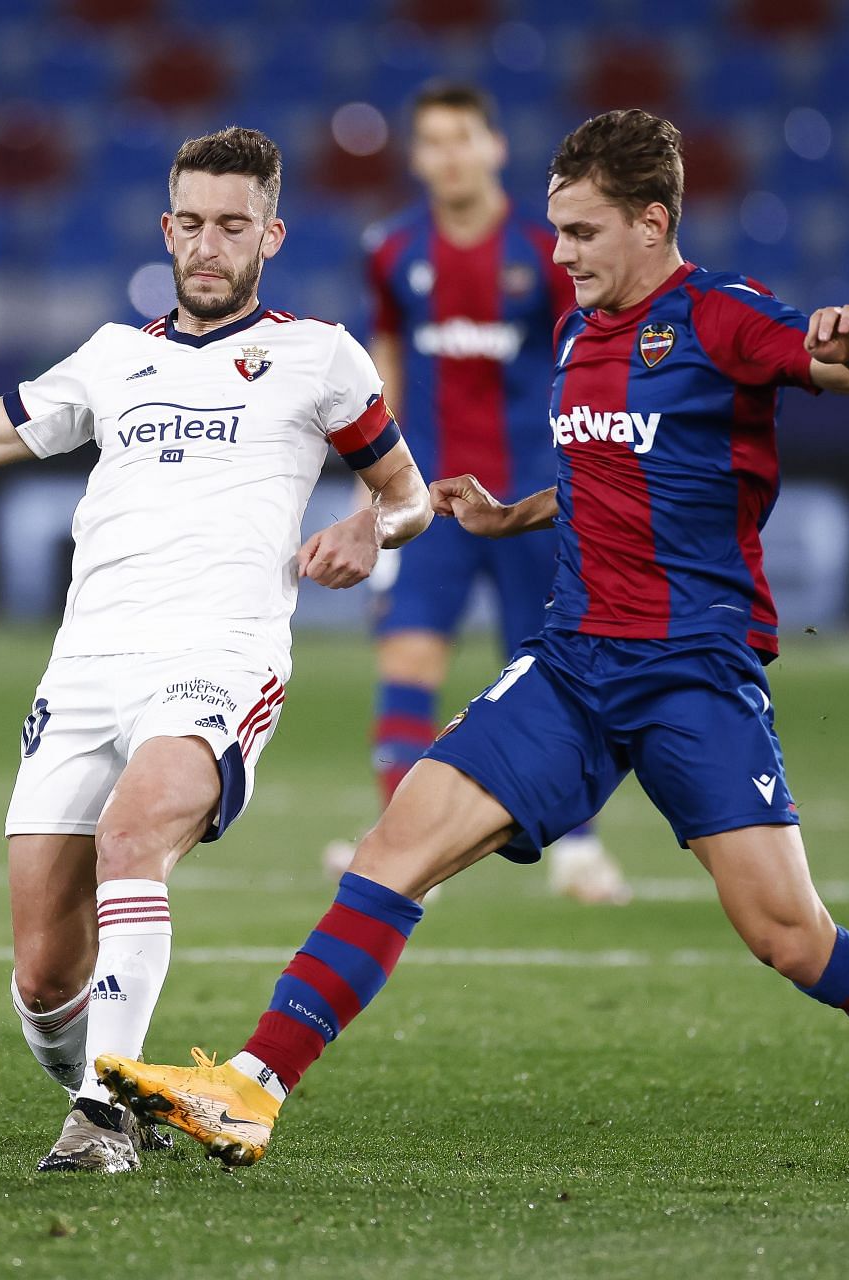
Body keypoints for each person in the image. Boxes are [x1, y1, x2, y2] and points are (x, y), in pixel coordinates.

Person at [97, 110, 849, 1187]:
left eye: (580, 231)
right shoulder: (582, 331)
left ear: (652, 221)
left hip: (691, 673)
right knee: (397, 846)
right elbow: (600, 472)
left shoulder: (722, 319)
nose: (559, 254)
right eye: (556, 230)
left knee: (790, 934)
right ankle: (253, 1087)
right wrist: (510, 517)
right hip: (572, 663)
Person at [0, 126, 431, 1175]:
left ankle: (99, 1115)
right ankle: (109, 1077)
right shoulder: (112, 357)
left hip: (220, 655)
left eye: (233, 224)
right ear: (166, 228)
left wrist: (373, 527)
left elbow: (406, 493)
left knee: (135, 835)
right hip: (86, 667)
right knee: (48, 971)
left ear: (269, 233)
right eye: (191, 222)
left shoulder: (318, 356)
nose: (208, 243)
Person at [325, 82, 630, 905]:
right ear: (417, 157)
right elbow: (386, 355)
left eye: (463, 138)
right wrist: (376, 476)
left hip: (530, 495)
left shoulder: (546, 249)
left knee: (551, 674)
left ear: (495, 147)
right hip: (430, 499)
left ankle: (581, 850)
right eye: (432, 141)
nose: (448, 155)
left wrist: (588, 472)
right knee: (408, 657)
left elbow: (592, 356)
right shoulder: (392, 249)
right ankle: (400, 851)